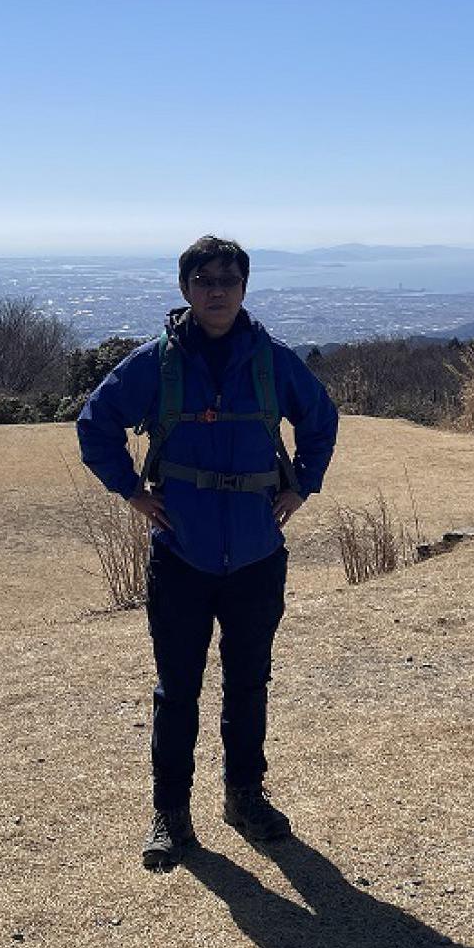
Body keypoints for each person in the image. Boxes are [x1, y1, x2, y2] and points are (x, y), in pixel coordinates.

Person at [77, 235, 339, 869]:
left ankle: (245, 797)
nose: (217, 291)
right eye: (204, 280)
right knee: (178, 688)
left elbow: (321, 417)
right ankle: (171, 813)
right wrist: (132, 492)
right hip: (182, 554)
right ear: (185, 288)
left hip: (255, 553)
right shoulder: (155, 364)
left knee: (249, 682)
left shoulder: (272, 361)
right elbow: (95, 422)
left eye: (228, 279)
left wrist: (302, 485)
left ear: (244, 287)